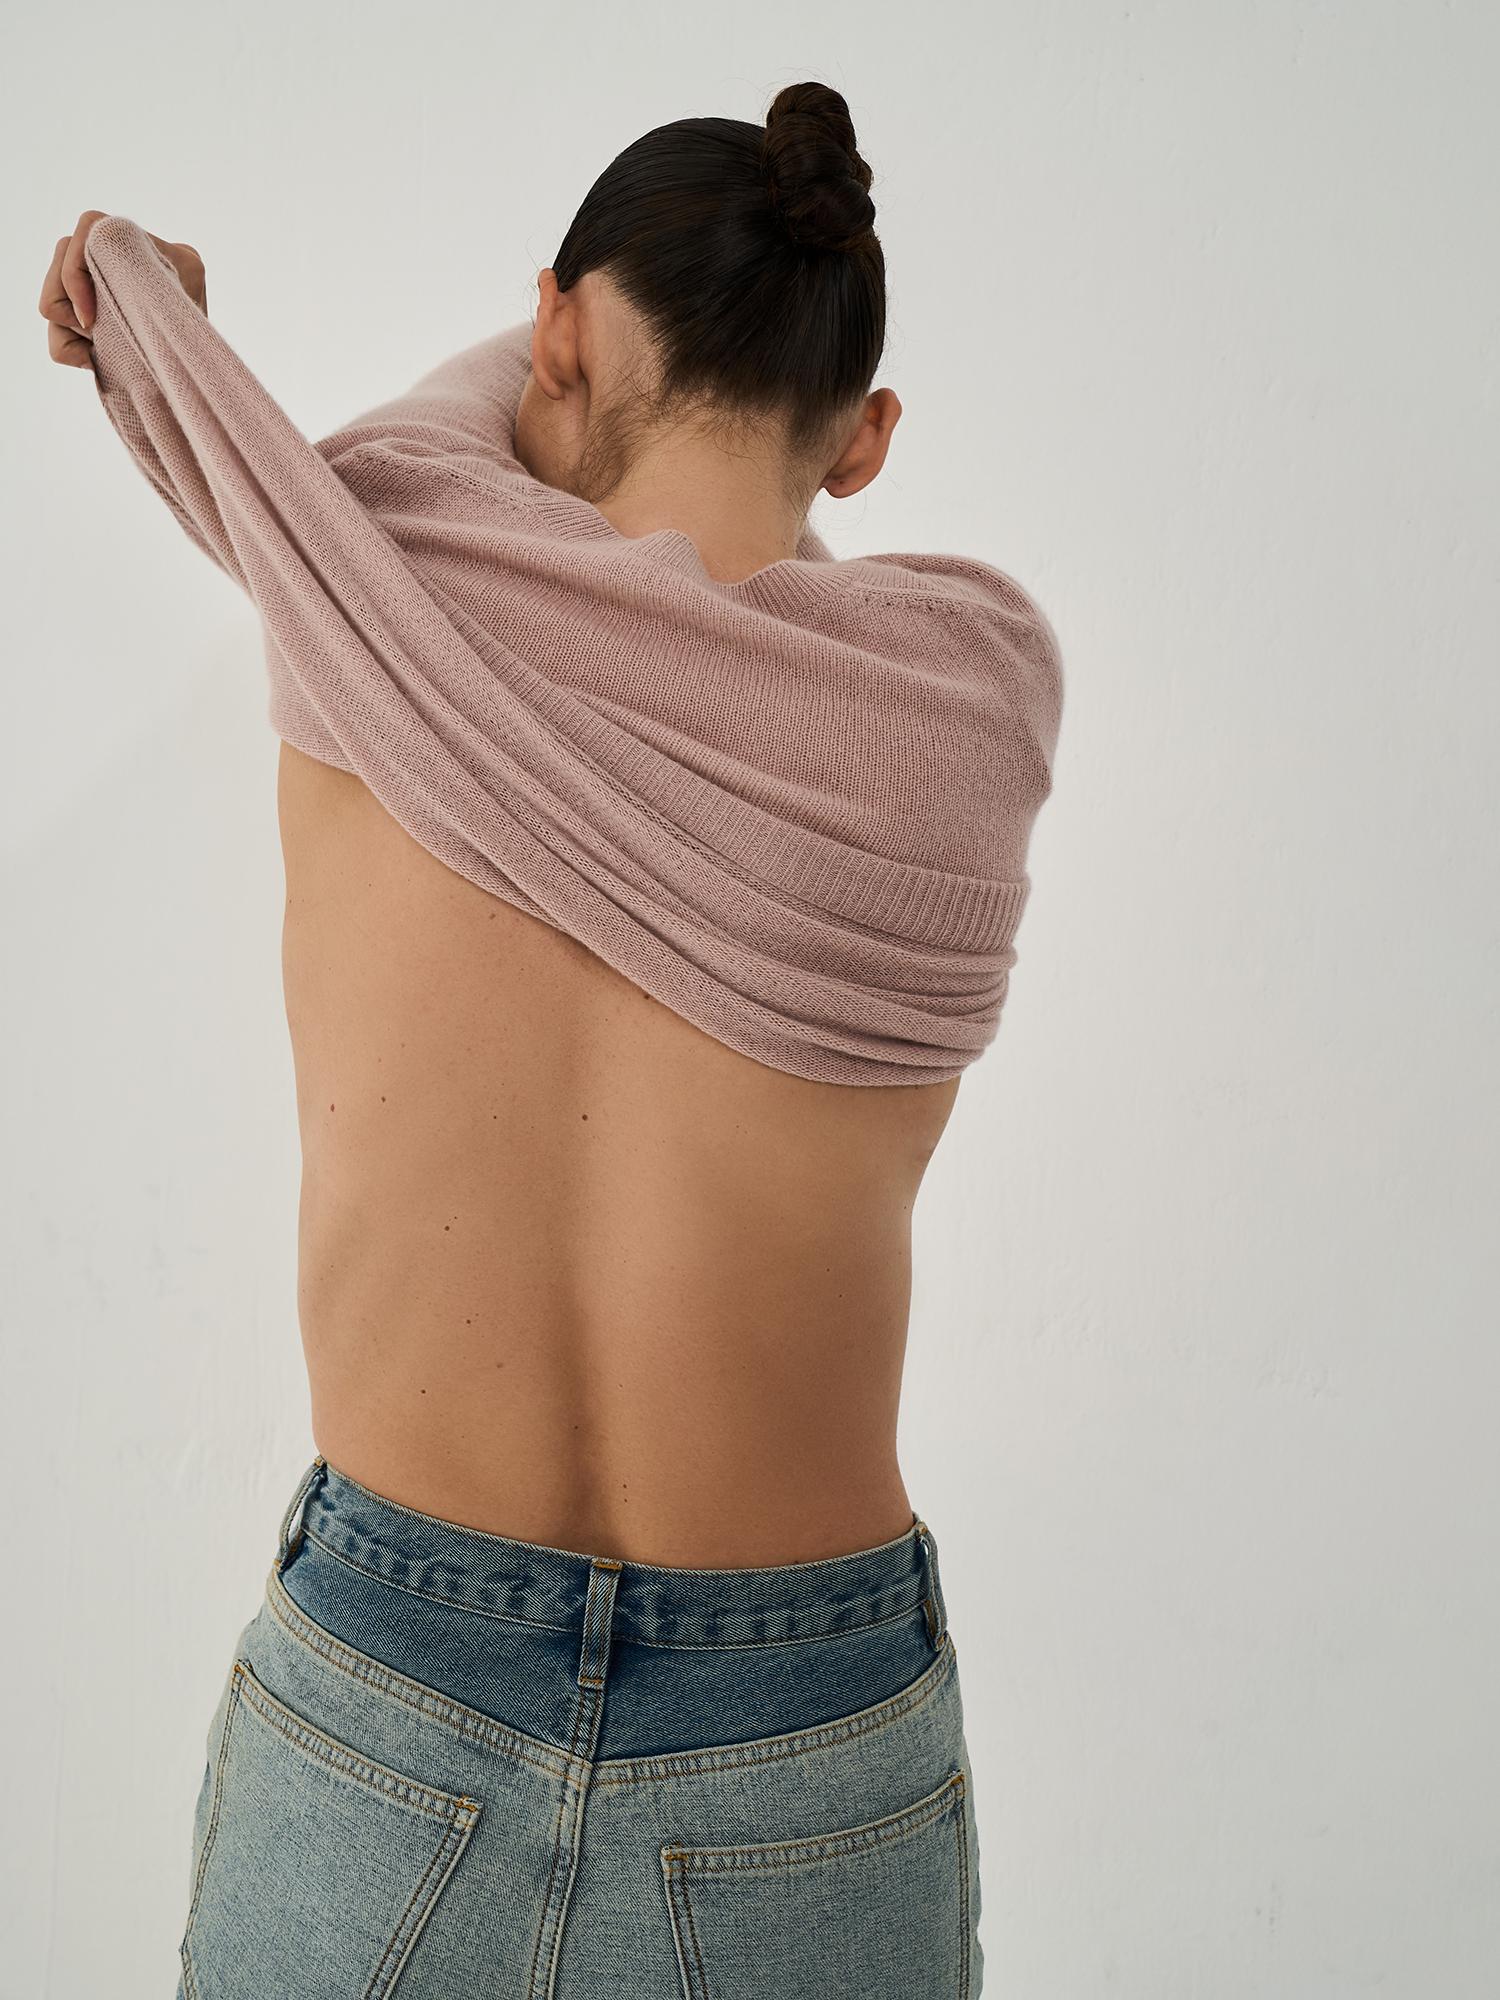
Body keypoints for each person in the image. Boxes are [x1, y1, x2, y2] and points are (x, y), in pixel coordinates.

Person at [42, 79, 1061, 2000]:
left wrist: (160, 331)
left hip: (389, 1676)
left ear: (560, 335)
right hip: (803, 1723)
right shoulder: (963, 721)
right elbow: (698, 602)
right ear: (866, 441)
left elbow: (426, 441)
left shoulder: (371, 592)